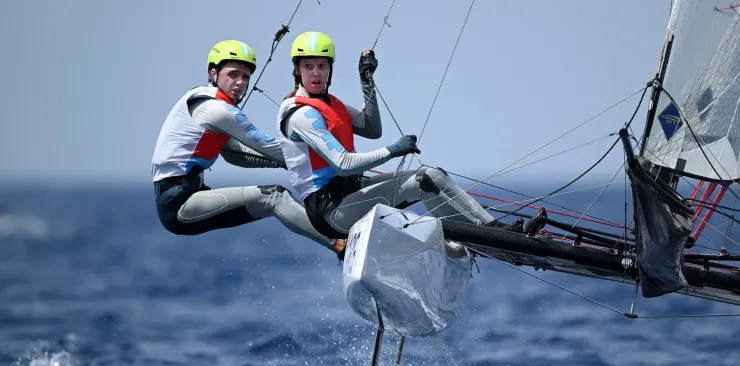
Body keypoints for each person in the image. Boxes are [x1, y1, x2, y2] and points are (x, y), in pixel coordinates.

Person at [275, 32, 548, 241]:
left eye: (321, 66)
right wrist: (393, 150)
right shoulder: (301, 115)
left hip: (350, 194)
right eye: (308, 66)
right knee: (421, 181)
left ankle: (495, 231)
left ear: (330, 69)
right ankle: (483, 237)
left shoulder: (331, 104)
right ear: (297, 70)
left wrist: (366, 81)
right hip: (331, 213)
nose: (315, 73)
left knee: (433, 174)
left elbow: (372, 129)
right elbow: (342, 164)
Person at [151, 39, 346, 257]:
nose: (240, 82)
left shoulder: (206, 101)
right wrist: (331, 159)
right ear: (213, 73)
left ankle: (341, 235)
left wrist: (287, 163)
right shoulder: (217, 110)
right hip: (178, 204)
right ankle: (340, 244)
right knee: (274, 196)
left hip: (184, 199)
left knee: (271, 200)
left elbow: (237, 156)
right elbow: (268, 147)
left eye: (245, 77)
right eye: (233, 74)